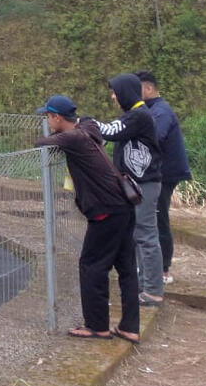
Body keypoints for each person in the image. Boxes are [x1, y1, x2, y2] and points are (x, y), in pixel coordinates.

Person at [33, 94, 140, 342]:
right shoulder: (88, 128)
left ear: (57, 117)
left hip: (106, 210)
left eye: (48, 117)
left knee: (92, 265)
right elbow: (87, 121)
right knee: (126, 267)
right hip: (123, 205)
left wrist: (55, 137)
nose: (47, 122)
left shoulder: (74, 138)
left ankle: (97, 326)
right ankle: (129, 327)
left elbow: (41, 143)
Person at [90, 73, 164, 305]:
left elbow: (110, 131)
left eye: (115, 92)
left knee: (146, 236)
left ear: (125, 92)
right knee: (139, 235)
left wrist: (85, 122)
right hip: (137, 184)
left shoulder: (139, 115)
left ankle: (153, 291)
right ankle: (144, 284)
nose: (113, 97)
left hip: (145, 184)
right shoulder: (134, 115)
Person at [136, 70, 192, 284]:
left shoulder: (161, 111)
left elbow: (155, 137)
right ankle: (149, 265)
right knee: (151, 218)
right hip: (155, 173)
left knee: (158, 219)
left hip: (164, 174)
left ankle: (162, 270)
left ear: (148, 88)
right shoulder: (149, 110)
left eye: (136, 88)